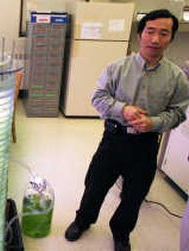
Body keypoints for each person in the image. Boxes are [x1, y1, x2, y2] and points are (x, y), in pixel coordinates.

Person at [64, 9, 189, 251]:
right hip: (114, 138)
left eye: (164, 33)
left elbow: (178, 113)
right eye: (150, 31)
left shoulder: (176, 78)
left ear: (171, 38)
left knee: (134, 195)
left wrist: (154, 122)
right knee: (95, 184)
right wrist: (123, 109)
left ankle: (121, 233)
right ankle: (83, 220)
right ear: (140, 34)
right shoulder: (117, 67)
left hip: (146, 144)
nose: (155, 39)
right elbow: (98, 97)